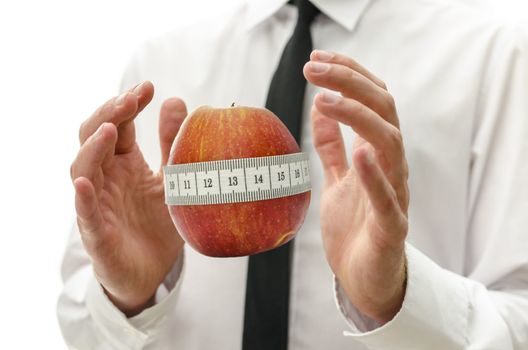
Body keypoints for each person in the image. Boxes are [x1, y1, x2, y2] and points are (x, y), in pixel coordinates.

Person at [58, 0, 528, 349]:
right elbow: (78, 320)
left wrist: (398, 298)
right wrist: (128, 298)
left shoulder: (495, 54)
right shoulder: (159, 59)